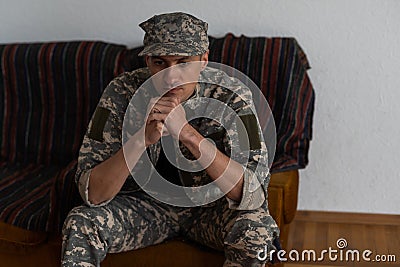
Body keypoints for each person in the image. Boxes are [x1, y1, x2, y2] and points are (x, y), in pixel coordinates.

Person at [61, 12, 280, 267]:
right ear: (147, 62)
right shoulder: (120, 93)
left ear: (204, 60)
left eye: (183, 62)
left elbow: (253, 195)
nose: (170, 77)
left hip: (211, 209)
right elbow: (94, 194)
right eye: (159, 63)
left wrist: (187, 133)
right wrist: (142, 139)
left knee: (258, 229)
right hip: (146, 208)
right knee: (81, 222)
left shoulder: (231, 96)